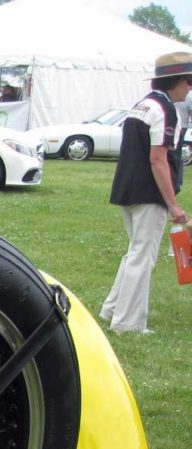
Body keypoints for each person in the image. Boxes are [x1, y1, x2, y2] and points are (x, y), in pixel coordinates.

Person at [101, 51, 192, 334]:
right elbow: (158, 159)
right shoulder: (165, 111)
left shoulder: (141, 105)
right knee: (143, 257)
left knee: (134, 253)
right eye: (188, 82)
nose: (190, 88)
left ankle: (112, 309)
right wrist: (174, 205)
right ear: (175, 82)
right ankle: (128, 323)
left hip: (127, 189)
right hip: (148, 194)